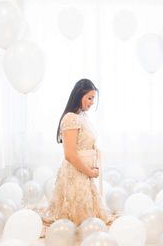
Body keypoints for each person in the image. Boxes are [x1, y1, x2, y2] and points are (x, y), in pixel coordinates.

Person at [40, 78, 111, 233]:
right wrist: (89, 171)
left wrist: (93, 166)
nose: (92, 102)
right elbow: (70, 154)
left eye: (94, 98)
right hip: (76, 171)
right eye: (90, 98)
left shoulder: (82, 117)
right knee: (76, 220)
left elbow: (85, 145)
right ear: (79, 95)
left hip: (85, 170)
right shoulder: (71, 118)